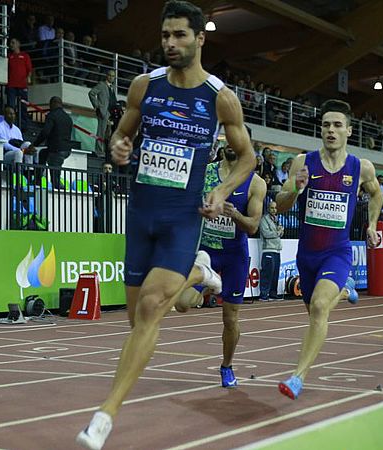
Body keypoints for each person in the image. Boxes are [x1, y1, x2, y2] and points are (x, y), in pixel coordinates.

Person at [75, 2, 255, 448]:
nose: (170, 43)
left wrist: (222, 190)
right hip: (139, 214)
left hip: (181, 218)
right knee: (137, 318)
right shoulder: (144, 86)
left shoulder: (219, 97)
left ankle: (104, 415)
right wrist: (118, 149)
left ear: (200, 39)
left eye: (179, 35)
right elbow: (123, 135)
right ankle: (197, 273)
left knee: (154, 307)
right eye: (165, 36)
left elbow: (247, 157)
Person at [274, 99, 383, 400]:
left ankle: (297, 377)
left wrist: (372, 224)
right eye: (326, 125)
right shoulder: (302, 162)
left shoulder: (361, 167)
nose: (331, 130)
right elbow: (279, 205)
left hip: (337, 251)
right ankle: (345, 291)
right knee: (314, 310)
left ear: (349, 130)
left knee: (321, 307)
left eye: (337, 125)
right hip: (307, 254)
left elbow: (377, 194)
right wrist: (296, 188)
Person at [174, 143, 267, 388]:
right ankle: (206, 276)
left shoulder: (255, 183)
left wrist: (234, 214)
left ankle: (226, 366)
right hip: (206, 250)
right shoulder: (207, 173)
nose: (230, 144)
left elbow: (253, 226)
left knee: (231, 319)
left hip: (235, 255)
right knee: (181, 304)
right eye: (227, 138)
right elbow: (187, 204)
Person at [31, 96, 73, 188]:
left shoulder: (52, 115)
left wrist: (35, 144)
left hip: (56, 149)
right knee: (43, 154)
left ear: (53, 104)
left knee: (55, 177)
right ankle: (37, 179)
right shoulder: (68, 118)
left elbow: (45, 132)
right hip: (66, 149)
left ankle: (58, 191)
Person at [88, 70, 117, 157]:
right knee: (101, 132)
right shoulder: (102, 85)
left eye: (113, 76)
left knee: (108, 133)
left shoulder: (112, 87)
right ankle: (99, 151)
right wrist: (97, 106)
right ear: (106, 76)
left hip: (111, 113)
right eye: (110, 75)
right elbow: (91, 93)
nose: (111, 77)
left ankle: (105, 151)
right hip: (104, 112)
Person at [259, 200, 283, 301]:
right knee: (267, 273)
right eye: (272, 208)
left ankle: (273, 293)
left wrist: (281, 231)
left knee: (275, 273)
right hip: (268, 249)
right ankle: (263, 294)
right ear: (268, 208)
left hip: (277, 250)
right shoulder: (264, 219)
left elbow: (279, 233)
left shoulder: (277, 219)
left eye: (275, 208)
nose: (274, 210)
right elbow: (266, 233)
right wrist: (278, 232)